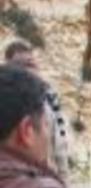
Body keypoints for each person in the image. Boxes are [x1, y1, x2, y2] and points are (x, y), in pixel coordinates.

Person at [4, 41, 72, 179]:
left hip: (44, 171)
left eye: (30, 64)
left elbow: (61, 134)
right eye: (20, 65)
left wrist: (62, 175)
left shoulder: (48, 94)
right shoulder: (5, 96)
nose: (27, 70)